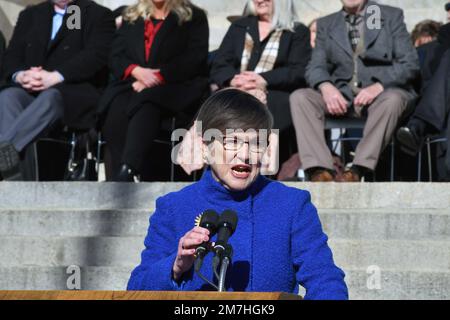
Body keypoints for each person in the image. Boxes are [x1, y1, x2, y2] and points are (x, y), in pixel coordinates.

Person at [127, 89, 348, 300]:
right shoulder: (173, 207)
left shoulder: (291, 205)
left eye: (256, 144)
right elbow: (136, 289)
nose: (245, 155)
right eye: (232, 142)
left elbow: (326, 280)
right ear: (205, 147)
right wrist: (175, 267)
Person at [289, 0, 420, 182]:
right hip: (342, 95)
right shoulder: (327, 23)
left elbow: (409, 64)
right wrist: (326, 86)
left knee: (393, 99)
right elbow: (315, 67)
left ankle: (358, 169)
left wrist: (379, 86)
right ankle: (320, 169)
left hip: (382, 95)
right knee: (301, 97)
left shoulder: (390, 16)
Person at [0, 0, 115, 181]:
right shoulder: (31, 15)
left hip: (72, 95)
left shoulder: (97, 15)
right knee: (8, 97)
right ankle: (13, 173)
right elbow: (12, 55)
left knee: (51, 97)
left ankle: (5, 151)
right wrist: (21, 75)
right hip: (31, 90)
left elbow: (96, 55)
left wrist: (56, 76)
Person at [98, 0, 209, 182]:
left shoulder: (193, 17)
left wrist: (158, 77)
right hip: (134, 82)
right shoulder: (132, 16)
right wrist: (135, 70)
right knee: (115, 105)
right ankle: (118, 175)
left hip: (176, 85)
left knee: (148, 102)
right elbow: (115, 55)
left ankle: (129, 168)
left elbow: (194, 58)